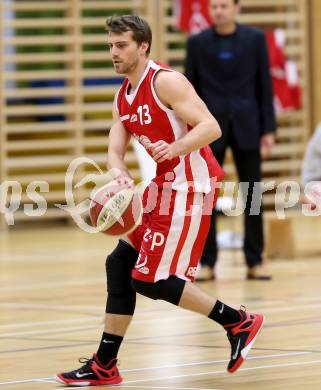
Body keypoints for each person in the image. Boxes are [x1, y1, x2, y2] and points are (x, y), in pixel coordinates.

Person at [56, 15, 264, 387]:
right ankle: (105, 364)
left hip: (190, 188)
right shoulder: (124, 94)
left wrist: (176, 147)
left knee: (151, 281)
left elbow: (210, 127)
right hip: (160, 187)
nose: (113, 52)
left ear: (143, 46)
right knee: (119, 264)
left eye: (121, 45)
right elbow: (115, 145)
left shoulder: (165, 81)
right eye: (110, 45)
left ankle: (238, 321)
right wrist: (118, 171)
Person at [185, 0, 276, 281]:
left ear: (236, 8)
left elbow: (265, 84)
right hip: (210, 128)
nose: (219, 11)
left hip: (248, 126)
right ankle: (207, 262)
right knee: (207, 197)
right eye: (214, 7)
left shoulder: (255, 39)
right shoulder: (197, 43)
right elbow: (190, 89)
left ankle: (255, 260)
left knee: (253, 196)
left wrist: (268, 129)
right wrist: (191, 130)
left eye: (224, 6)